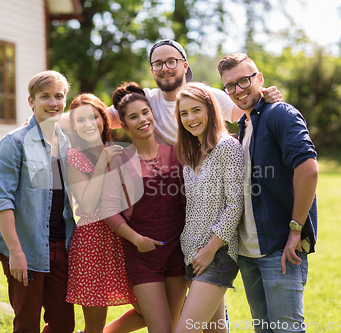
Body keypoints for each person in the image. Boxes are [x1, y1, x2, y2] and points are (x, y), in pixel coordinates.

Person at [217, 53, 319, 333]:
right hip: (249, 254)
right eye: (230, 86)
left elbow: (308, 170)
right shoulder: (244, 126)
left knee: (287, 330)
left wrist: (296, 230)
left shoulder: (279, 113)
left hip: (280, 248)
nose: (238, 89)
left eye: (244, 80)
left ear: (259, 78)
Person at [0, 70, 76, 333]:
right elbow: (1, 199)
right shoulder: (13, 143)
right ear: (31, 101)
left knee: (64, 325)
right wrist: (16, 253)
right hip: (26, 249)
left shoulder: (65, 142)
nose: (53, 103)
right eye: (45, 96)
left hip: (60, 248)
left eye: (59, 96)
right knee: (27, 325)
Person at [101, 82, 188, 333]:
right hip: (142, 255)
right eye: (133, 117)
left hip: (177, 252)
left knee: (171, 327)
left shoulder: (177, 153)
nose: (142, 120)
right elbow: (107, 209)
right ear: (124, 125)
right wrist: (137, 239)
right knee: (159, 328)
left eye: (145, 112)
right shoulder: (118, 160)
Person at [64, 93, 145, 333]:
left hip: (124, 238)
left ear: (103, 119)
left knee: (149, 311)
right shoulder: (74, 157)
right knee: (94, 323)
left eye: (93, 117)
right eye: (80, 120)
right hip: (93, 243)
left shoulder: (120, 151)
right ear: (74, 126)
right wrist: (102, 164)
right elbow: (87, 205)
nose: (88, 124)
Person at [106, 39, 282, 145]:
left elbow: (249, 112)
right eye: (158, 64)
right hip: (165, 190)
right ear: (152, 71)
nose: (164, 68)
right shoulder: (144, 101)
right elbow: (97, 121)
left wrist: (264, 95)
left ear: (184, 66)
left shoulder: (208, 96)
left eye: (171, 61)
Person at [173, 82, 244, 333]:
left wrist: (210, 250)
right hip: (192, 251)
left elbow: (236, 205)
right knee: (215, 330)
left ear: (210, 110)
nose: (190, 118)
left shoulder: (228, 147)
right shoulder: (190, 153)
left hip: (217, 254)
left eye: (196, 110)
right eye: (184, 113)